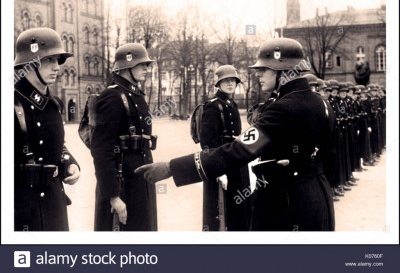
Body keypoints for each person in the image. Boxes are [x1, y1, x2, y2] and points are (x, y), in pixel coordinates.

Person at [136, 38, 336, 231]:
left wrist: (173, 167)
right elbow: (330, 154)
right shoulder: (322, 103)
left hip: (286, 205)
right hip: (319, 200)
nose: (258, 75)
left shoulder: (283, 108)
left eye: (264, 69)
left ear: (283, 71)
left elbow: (239, 149)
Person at [14, 27, 80, 231]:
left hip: (54, 201)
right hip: (23, 208)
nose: (57, 67)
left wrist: (70, 162)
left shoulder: (53, 104)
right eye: (49, 60)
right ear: (30, 63)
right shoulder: (13, 103)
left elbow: (58, 145)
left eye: (58, 60)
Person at [91, 43, 157, 231]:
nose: (146, 68)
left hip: (140, 180)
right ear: (126, 66)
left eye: (147, 64)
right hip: (122, 184)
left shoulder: (136, 95)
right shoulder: (112, 96)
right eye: (141, 64)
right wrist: (113, 195)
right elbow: (101, 149)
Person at [200, 65, 251, 231]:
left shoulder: (231, 104)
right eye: (226, 80)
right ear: (218, 83)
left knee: (240, 210)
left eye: (233, 80)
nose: (230, 84)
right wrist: (218, 171)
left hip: (237, 163)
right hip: (222, 166)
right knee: (222, 215)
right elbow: (207, 143)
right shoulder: (213, 106)